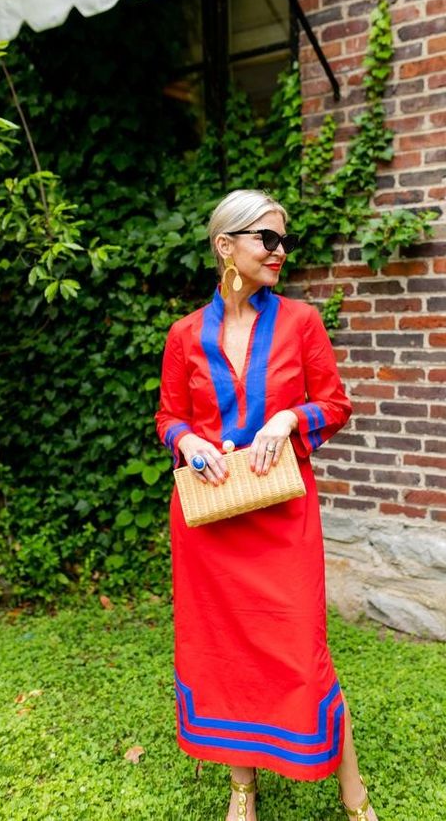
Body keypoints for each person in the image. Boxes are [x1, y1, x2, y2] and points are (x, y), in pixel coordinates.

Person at [155, 189, 378, 821]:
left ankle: (352, 792)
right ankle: (242, 793)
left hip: (282, 521)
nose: (280, 251)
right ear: (226, 246)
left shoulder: (302, 321)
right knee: (227, 656)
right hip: (210, 527)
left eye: (283, 240)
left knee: (303, 646)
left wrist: (288, 418)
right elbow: (168, 415)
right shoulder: (183, 336)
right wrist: (188, 438)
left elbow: (334, 404)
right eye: (267, 239)